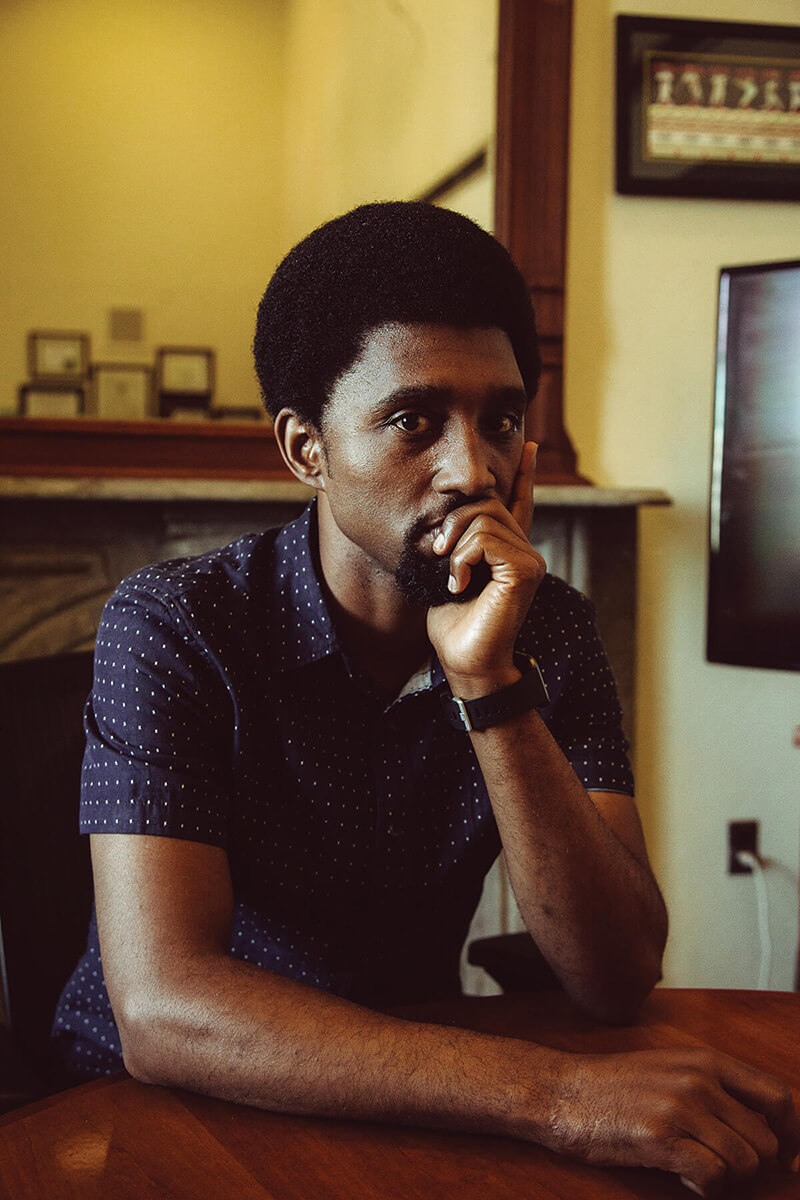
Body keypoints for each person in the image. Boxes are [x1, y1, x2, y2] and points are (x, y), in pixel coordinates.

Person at [54, 202, 799, 1196]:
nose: (472, 470)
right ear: (305, 448)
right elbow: (163, 1007)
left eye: (498, 421)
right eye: (412, 420)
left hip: (409, 1092)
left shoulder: (547, 627)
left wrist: (487, 684)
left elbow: (615, 976)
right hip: (150, 1111)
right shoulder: (177, 623)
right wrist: (556, 1096)